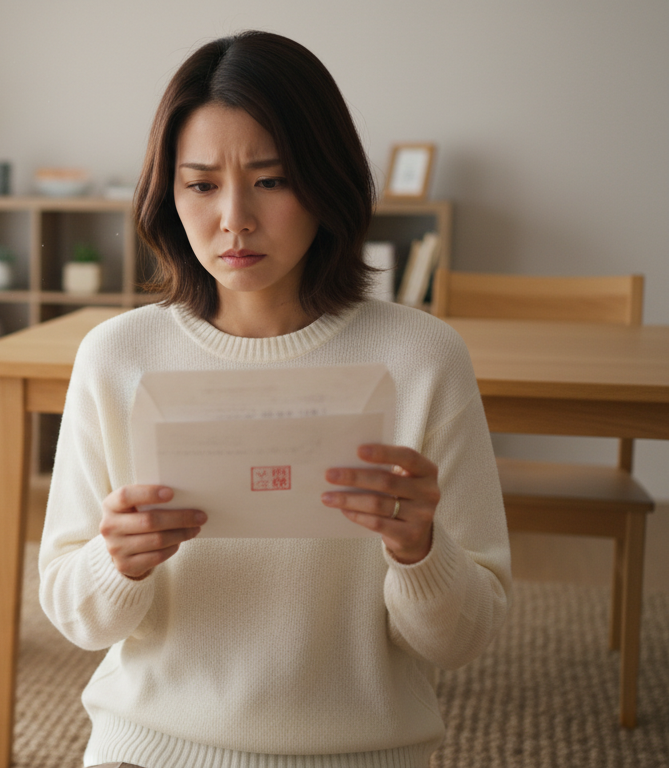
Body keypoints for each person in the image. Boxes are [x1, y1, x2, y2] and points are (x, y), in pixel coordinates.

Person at [38, 32, 511, 768]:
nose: (234, 218)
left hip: (363, 752)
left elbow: (463, 641)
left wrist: (421, 552)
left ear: (327, 181)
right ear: (168, 195)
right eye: (200, 185)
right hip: (149, 745)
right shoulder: (117, 356)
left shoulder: (421, 359)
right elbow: (75, 613)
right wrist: (115, 562)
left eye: (272, 179)